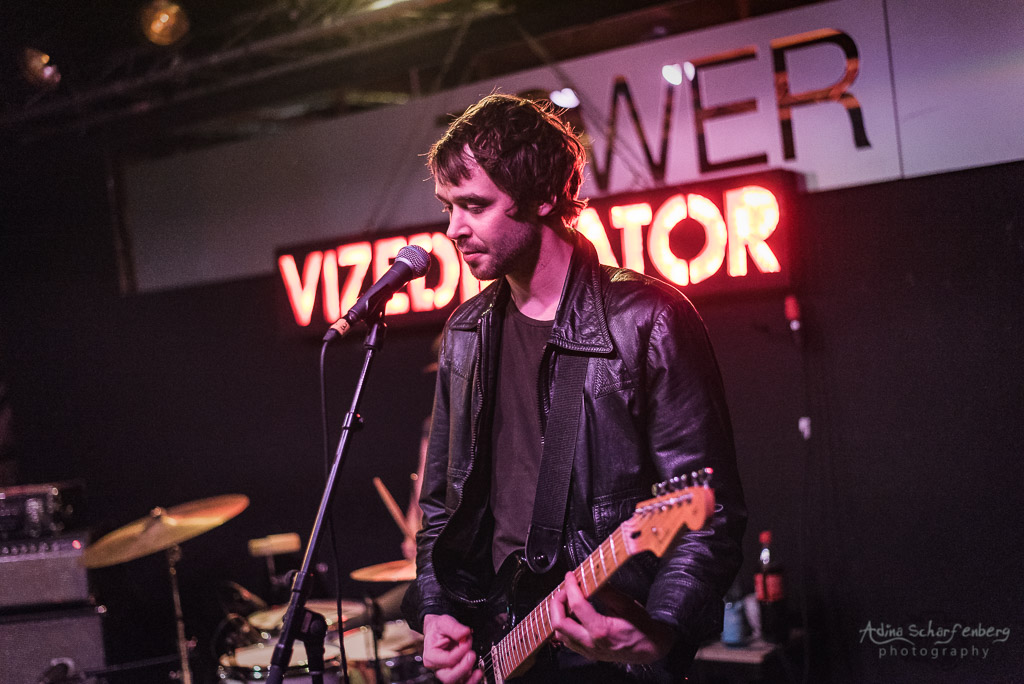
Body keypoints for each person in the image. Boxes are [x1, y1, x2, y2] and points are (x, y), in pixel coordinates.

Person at [401, 93, 746, 683]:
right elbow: (442, 509)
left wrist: (660, 630)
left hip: (603, 654)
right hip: (497, 640)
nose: (453, 229)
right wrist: (437, 610)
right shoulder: (465, 332)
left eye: (475, 205)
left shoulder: (648, 318)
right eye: (448, 207)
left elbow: (708, 514)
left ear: (543, 196)